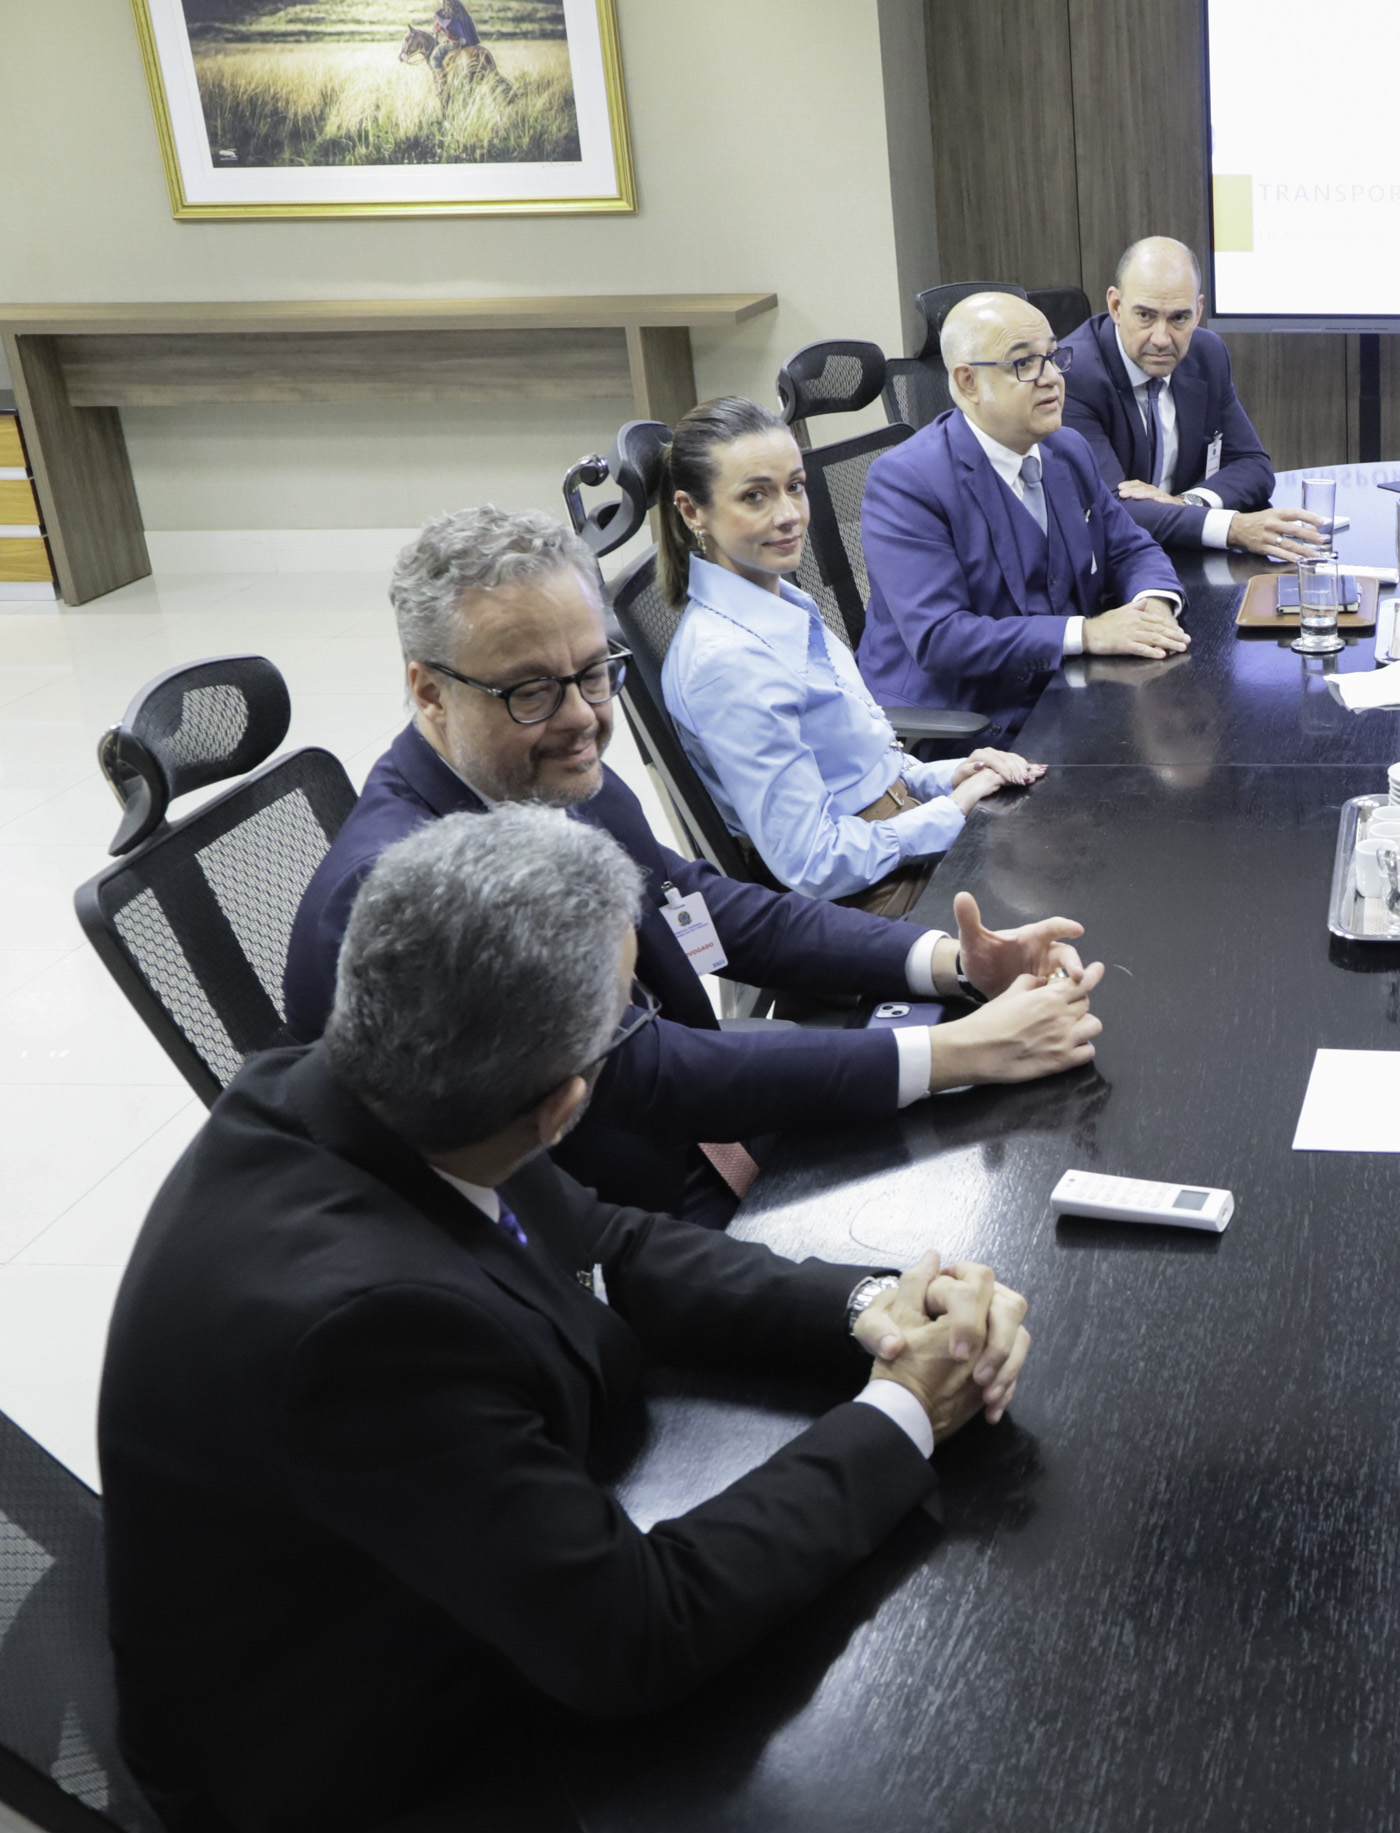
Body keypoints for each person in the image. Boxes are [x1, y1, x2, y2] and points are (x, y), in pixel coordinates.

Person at [105, 806, 1035, 1833]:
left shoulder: (371, 1082)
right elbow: (639, 1631)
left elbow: (604, 1244)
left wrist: (869, 1309)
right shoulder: (365, 1331)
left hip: (445, 1588)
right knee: (911, 1776)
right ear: (563, 1104)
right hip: (381, 1789)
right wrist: (908, 1409)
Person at [285, 506, 1107, 1225]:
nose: (583, 719)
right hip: (615, 1222)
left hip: (690, 1137)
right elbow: (639, 1072)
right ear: (429, 692)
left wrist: (955, 965)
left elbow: (709, 912)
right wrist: (960, 1054)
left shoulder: (545, 777)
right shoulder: (404, 892)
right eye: (530, 691)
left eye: (594, 672)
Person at [657, 396, 1040, 917]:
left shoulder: (786, 601)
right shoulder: (727, 663)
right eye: (755, 497)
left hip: (896, 837)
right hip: (867, 900)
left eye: (794, 487)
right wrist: (955, 807)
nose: (789, 515)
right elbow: (814, 862)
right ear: (691, 510)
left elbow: (856, 767)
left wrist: (948, 776)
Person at [855, 290, 1189, 736]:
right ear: (967, 382)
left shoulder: (1066, 450)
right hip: (963, 724)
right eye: (1024, 364)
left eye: (1052, 356)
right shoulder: (906, 482)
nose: (1051, 377)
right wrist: (1086, 634)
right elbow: (941, 638)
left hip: (1069, 698)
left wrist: (1153, 606)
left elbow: (1129, 548)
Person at [1052, 237, 1330, 563]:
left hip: (1186, 553)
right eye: (1145, 315)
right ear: (1115, 306)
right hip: (1110, 566)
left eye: (1179, 318)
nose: (1161, 338)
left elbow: (1253, 466)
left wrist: (1188, 503)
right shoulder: (1073, 374)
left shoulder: (1206, 354)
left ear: (1198, 312)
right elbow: (1112, 508)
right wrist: (1233, 528)